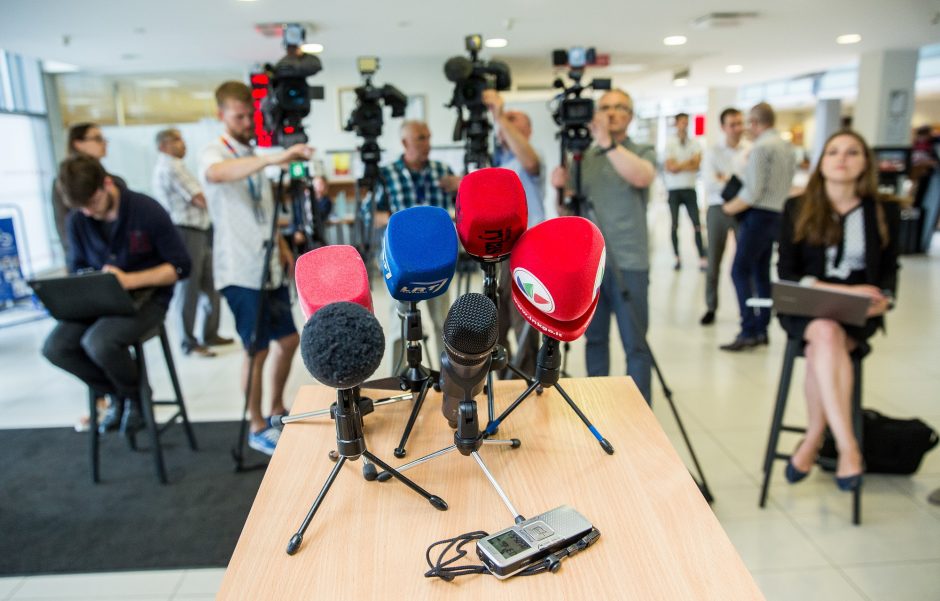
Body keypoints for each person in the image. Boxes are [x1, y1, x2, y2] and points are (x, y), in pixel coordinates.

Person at [777, 130, 899, 491]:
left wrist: (885, 300)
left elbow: (891, 273)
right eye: (833, 152)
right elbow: (788, 275)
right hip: (805, 309)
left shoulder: (884, 211)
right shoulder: (797, 207)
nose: (841, 159)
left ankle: (814, 436)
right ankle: (847, 446)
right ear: (821, 162)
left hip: (859, 315)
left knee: (824, 345)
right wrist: (845, 291)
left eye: (852, 152)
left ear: (865, 163)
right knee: (825, 333)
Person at [199, 81, 312, 456]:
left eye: (251, 115)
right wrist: (272, 157)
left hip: (269, 268)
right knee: (256, 349)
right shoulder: (216, 153)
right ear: (222, 115)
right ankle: (255, 424)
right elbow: (217, 174)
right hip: (240, 271)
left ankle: (277, 408)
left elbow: (262, 215)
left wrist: (282, 249)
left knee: (289, 340)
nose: (247, 121)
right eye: (239, 116)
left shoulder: (251, 155)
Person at [42, 155, 191, 435]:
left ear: (106, 183)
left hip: (147, 301)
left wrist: (127, 280)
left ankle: (134, 399)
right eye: (82, 207)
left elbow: (181, 267)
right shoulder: (78, 220)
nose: (89, 212)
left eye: (93, 203)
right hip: (97, 301)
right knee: (56, 347)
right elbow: (76, 267)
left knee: (99, 342)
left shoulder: (146, 210)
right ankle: (123, 394)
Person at [551, 89, 657, 404]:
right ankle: (600, 406)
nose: (611, 113)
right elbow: (568, 214)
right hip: (591, 266)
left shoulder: (642, 150)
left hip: (630, 261)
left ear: (630, 115)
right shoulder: (584, 157)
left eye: (618, 107)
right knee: (594, 340)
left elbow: (642, 177)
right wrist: (560, 188)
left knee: (635, 343)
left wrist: (608, 143)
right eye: (605, 107)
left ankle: (640, 412)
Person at [363, 120, 461, 369]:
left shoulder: (442, 171)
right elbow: (369, 214)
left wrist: (460, 186)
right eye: (420, 138)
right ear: (405, 142)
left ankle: (449, 372)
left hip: (438, 259)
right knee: (401, 323)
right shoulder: (385, 175)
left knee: (443, 320)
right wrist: (401, 220)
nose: (427, 143)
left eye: (428, 137)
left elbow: (463, 209)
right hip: (401, 261)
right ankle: (400, 376)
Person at [721, 102, 796, 350]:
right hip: (777, 215)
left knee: (739, 271)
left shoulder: (762, 148)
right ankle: (762, 328)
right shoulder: (786, 146)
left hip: (758, 216)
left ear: (755, 123)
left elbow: (753, 191)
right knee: (761, 273)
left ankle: (748, 329)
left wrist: (728, 208)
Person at [152, 128, 232, 357]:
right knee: (189, 289)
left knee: (210, 286)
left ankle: (209, 334)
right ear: (163, 146)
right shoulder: (170, 166)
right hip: (186, 233)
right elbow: (199, 198)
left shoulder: (176, 165)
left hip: (200, 231)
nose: (183, 144)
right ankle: (189, 342)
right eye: (176, 140)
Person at [483, 89, 544, 374]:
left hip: (529, 249)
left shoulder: (529, 157)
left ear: (528, 130)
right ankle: (503, 376)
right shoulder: (498, 161)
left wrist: (498, 114)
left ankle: (526, 376)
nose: (503, 123)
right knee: (498, 319)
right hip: (499, 250)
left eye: (512, 119)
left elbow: (530, 162)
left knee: (525, 320)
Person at [700, 108, 750, 326]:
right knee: (714, 262)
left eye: (740, 123)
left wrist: (726, 179)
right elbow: (710, 183)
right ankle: (711, 307)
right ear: (723, 127)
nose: (737, 128)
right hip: (717, 210)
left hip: (743, 209)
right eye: (733, 124)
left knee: (744, 262)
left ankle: (747, 312)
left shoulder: (750, 150)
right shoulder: (712, 152)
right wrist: (737, 182)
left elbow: (754, 183)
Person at [52, 123, 126, 259]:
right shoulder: (64, 183)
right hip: (87, 259)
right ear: (78, 144)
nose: (104, 143)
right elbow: (63, 226)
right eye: (97, 138)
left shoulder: (116, 182)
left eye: (104, 139)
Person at [663, 112, 705, 271]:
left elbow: (697, 165)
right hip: (674, 190)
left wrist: (679, 165)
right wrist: (689, 163)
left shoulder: (695, 143)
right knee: (674, 225)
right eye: (681, 122)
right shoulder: (670, 143)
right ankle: (677, 257)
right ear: (676, 123)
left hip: (690, 189)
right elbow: (671, 168)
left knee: (696, 225)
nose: (684, 125)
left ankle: (702, 257)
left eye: (686, 122)